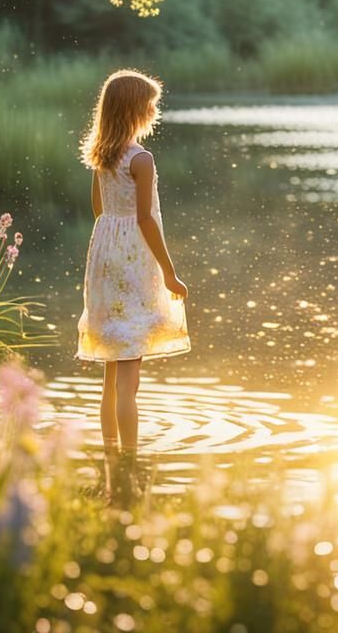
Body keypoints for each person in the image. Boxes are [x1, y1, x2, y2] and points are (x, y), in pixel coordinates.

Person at [76, 69, 190, 500]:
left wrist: (113, 232)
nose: (153, 110)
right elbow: (145, 219)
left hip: (104, 254)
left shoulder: (101, 154)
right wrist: (168, 271)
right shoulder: (141, 159)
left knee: (112, 368)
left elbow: (97, 207)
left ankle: (111, 462)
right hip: (134, 259)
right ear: (134, 110)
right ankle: (129, 462)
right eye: (149, 104)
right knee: (130, 376)